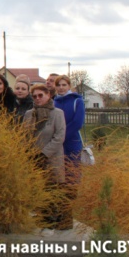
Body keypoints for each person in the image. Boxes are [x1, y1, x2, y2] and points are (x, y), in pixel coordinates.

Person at [23, 84, 66, 231]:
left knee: (52, 190)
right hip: (33, 158)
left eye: (40, 95)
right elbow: (24, 135)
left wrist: (44, 153)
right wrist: (28, 152)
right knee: (37, 189)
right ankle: (40, 218)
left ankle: (51, 224)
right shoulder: (29, 114)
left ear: (48, 95)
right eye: (34, 96)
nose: (37, 98)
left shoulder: (57, 113)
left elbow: (59, 136)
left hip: (52, 158)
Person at [53, 75, 85, 231]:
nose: (61, 88)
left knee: (71, 181)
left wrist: (62, 136)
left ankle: (67, 219)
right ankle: (57, 217)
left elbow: (78, 122)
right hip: (56, 146)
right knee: (58, 181)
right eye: (58, 85)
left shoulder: (77, 101)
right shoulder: (54, 102)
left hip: (71, 144)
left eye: (64, 85)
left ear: (69, 86)